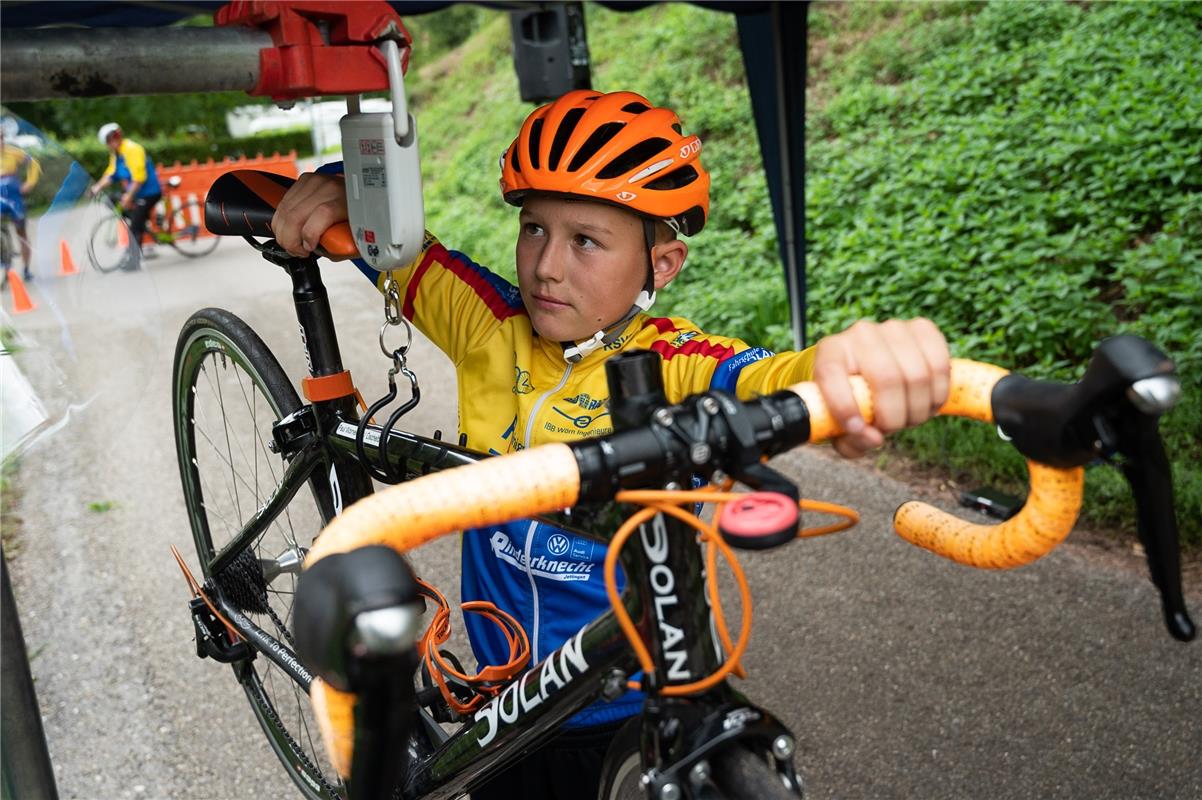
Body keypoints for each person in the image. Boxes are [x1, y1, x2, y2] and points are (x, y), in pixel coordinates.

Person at [272, 90, 950, 799]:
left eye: (586, 241)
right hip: (506, 710)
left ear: (662, 264)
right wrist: (338, 184)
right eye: (534, 229)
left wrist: (856, 363)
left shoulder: (678, 364)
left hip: (634, 696)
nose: (546, 268)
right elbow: (395, 245)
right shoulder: (487, 324)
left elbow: (775, 375)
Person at [88, 122, 162, 266]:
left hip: (149, 192)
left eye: (110, 141)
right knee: (113, 200)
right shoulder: (117, 153)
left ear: (115, 138)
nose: (109, 145)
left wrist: (127, 196)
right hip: (137, 193)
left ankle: (133, 261)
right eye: (108, 142)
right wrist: (96, 188)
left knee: (134, 226)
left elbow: (139, 178)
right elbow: (111, 173)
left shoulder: (132, 149)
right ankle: (141, 222)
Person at [1, 116, 42, 281]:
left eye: (1, 138)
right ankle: (4, 260)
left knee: (22, 233)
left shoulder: (13, 152)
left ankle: (25, 269)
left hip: (14, 196)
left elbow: (34, 163)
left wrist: (30, 183)